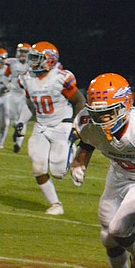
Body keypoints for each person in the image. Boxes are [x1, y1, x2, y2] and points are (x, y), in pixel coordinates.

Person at [69, 73, 135, 268]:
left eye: (110, 111)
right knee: (107, 237)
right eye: (98, 113)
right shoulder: (88, 123)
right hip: (118, 176)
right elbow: (87, 142)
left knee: (119, 229)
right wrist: (80, 161)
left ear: (126, 104)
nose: (104, 118)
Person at [20, 41, 86, 215]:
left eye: (36, 58)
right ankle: (56, 204)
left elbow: (79, 101)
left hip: (61, 126)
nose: (32, 61)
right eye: (32, 57)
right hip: (41, 126)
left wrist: (76, 125)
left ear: (49, 60)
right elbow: (30, 104)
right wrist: (21, 122)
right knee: (37, 167)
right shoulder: (27, 79)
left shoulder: (60, 78)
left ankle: (74, 155)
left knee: (58, 173)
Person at [8, 43, 34, 153]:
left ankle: (18, 144)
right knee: (14, 121)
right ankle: (16, 134)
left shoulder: (32, 65)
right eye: (21, 52)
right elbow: (5, 76)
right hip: (13, 93)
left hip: (24, 95)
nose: (23, 55)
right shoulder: (12, 63)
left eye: (25, 52)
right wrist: (7, 84)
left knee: (22, 120)